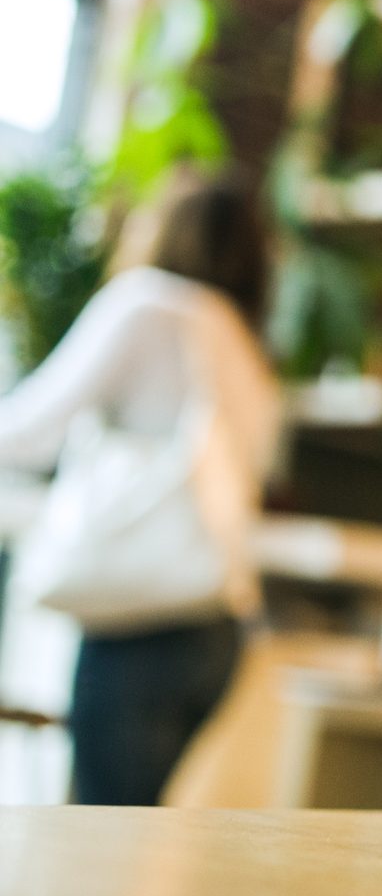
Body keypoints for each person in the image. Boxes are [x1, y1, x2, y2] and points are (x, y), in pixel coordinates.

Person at [0, 176, 279, 805]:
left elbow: (28, 432)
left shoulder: (150, 304)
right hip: (216, 633)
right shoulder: (246, 344)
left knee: (92, 840)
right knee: (119, 831)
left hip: (142, 624)